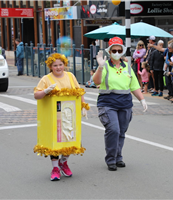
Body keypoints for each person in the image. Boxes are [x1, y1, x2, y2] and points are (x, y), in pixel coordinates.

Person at [93, 37, 147, 171]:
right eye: (114, 50)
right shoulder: (104, 65)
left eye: (119, 50)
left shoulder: (127, 67)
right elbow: (96, 81)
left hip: (125, 104)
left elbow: (134, 86)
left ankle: (118, 157)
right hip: (108, 103)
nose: (116, 52)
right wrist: (100, 67)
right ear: (109, 51)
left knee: (121, 132)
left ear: (122, 51)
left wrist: (142, 99)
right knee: (114, 130)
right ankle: (111, 159)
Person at [34, 53, 88, 181]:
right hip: (53, 117)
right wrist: (46, 91)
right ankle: (55, 168)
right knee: (54, 142)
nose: (58, 68)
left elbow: (79, 92)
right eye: (55, 65)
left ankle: (63, 163)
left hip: (70, 115)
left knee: (69, 140)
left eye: (60, 65)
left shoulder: (70, 76)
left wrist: (83, 106)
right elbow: (36, 95)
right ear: (50, 67)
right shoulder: (46, 79)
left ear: (64, 65)